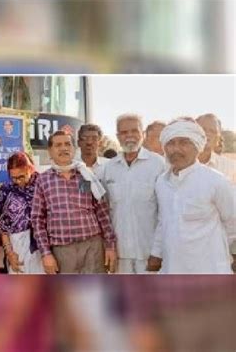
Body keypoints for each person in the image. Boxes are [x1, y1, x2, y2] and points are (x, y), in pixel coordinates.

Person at [148, 118, 236, 273]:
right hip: (172, 270)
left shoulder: (216, 181)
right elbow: (164, 221)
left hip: (210, 271)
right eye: (170, 143)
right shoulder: (162, 182)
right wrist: (156, 254)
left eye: (184, 142)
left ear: (197, 146)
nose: (176, 149)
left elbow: (233, 223)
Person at [31, 131, 117, 274]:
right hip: (62, 251)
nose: (64, 148)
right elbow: (37, 219)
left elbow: (100, 211)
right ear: (50, 151)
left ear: (73, 148)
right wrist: (46, 253)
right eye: (58, 145)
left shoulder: (85, 176)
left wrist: (110, 246)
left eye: (67, 144)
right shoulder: (43, 180)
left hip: (92, 248)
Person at [101, 114, 166, 273]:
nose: (129, 136)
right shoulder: (109, 168)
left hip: (150, 253)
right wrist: (108, 248)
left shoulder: (159, 164)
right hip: (120, 254)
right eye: (124, 132)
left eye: (134, 131)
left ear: (142, 134)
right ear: (117, 136)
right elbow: (104, 212)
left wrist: (158, 252)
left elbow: (166, 212)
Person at [0, 152, 44, 274]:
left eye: (21, 176)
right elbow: (3, 226)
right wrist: (10, 253)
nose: (17, 181)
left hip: (42, 245)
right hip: (16, 245)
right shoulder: (6, 190)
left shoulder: (43, 185)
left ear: (30, 169)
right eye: (13, 177)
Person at [196, 113, 236, 184]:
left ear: (218, 138)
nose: (207, 134)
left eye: (212, 131)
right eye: (203, 129)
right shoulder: (177, 163)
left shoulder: (231, 167)